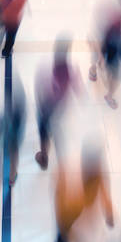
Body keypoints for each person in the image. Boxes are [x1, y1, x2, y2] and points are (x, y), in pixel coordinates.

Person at [53, 141, 114, 242]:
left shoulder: (98, 172)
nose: (96, 167)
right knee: (63, 238)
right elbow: (59, 198)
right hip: (68, 215)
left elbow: (103, 190)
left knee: (82, 238)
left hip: (83, 214)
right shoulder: (70, 172)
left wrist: (109, 212)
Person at [34, 37, 82, 169]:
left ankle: (44, 157)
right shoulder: (72, 68)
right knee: (56, 130)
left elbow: (38, 89)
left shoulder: (45, 67)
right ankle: (61, 161)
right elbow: (79, 90)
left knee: (44, 132)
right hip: (61, 107)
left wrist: (40, 105)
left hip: (46, 107)